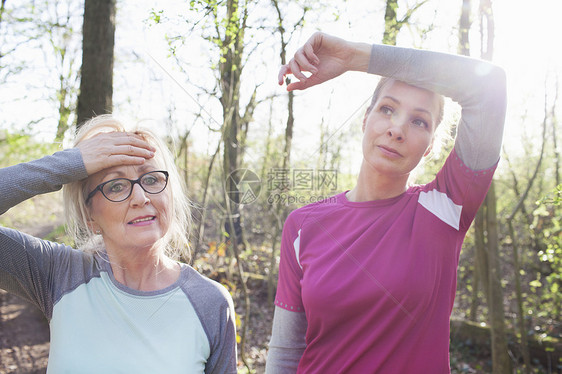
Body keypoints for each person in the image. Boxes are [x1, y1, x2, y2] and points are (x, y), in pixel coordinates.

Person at [265, 32, 506, 373]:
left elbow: (489, 85)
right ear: (366, 120)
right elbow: (287, 351)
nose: (396, 129)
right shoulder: (302, 225)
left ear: (429, 146)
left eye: (419, 120)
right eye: (388, 109)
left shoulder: (445, 209)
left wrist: (354, 57)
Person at [0, 115, 237, 373]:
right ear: (89, 217)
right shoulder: (59, 274)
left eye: (151, 179)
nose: (140, 197)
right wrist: (71, 162)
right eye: (116, 186)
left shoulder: (210, 303)